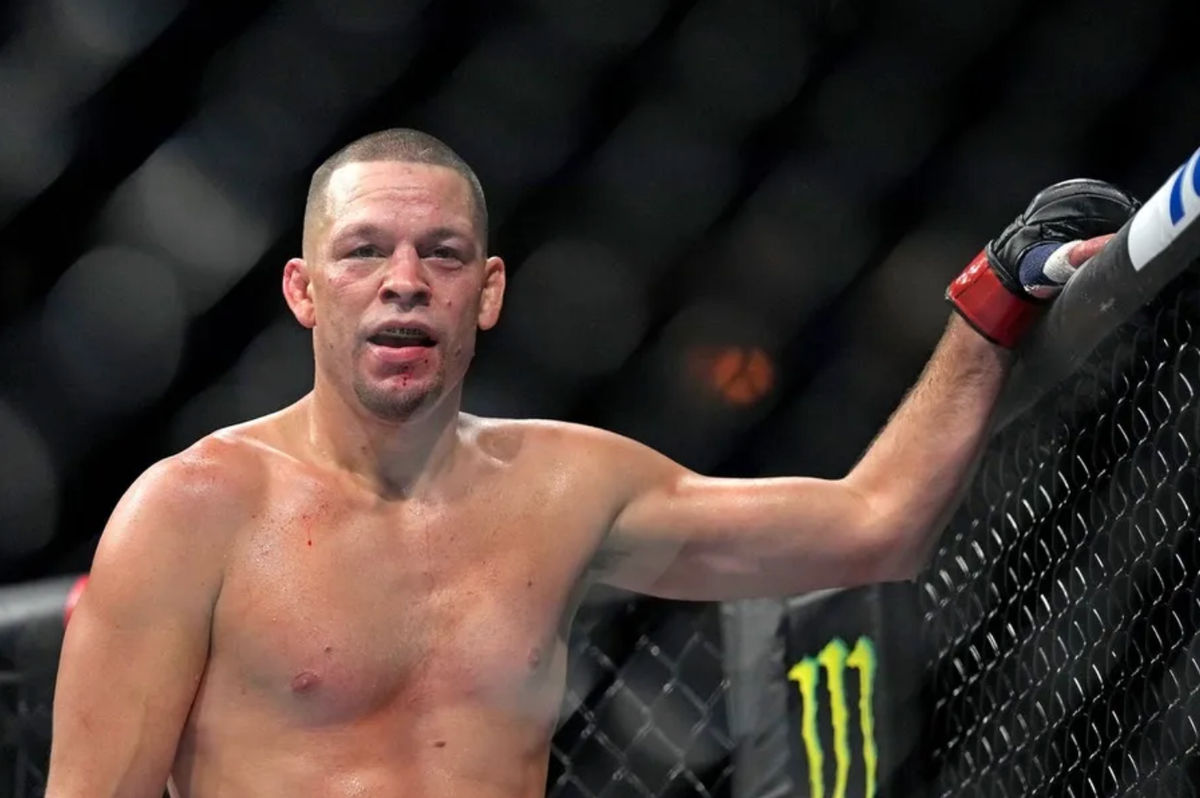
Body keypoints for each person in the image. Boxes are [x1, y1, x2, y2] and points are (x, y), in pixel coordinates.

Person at [44, 129, 1137, 797]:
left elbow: (873, 528)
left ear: (490, 292)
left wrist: (991, 302)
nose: (405, 280)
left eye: (444, 254)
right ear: (302, 291)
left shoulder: (568, 489)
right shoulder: (191, 513)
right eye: (365, 250)